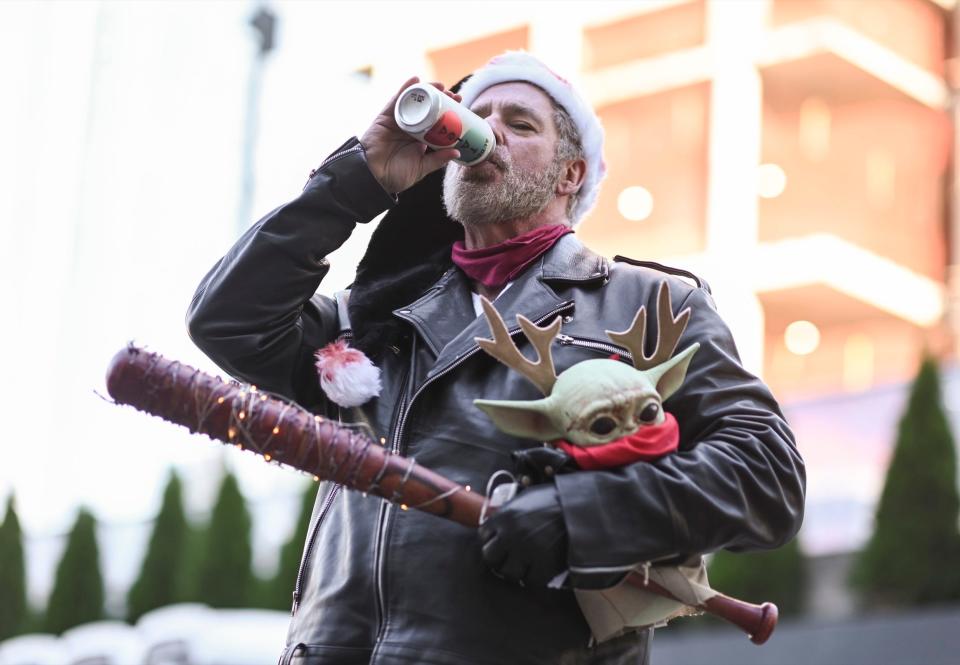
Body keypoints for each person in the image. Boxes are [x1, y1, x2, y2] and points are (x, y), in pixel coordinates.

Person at [187, 52, 805, 665]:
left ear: (570, 175)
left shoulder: (647, 302)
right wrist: (358, 180)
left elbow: (766, 475)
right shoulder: (372, 316)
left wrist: (581, 515)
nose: (486, 130)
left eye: (521, 122)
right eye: (477, 115)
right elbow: (227, 322)